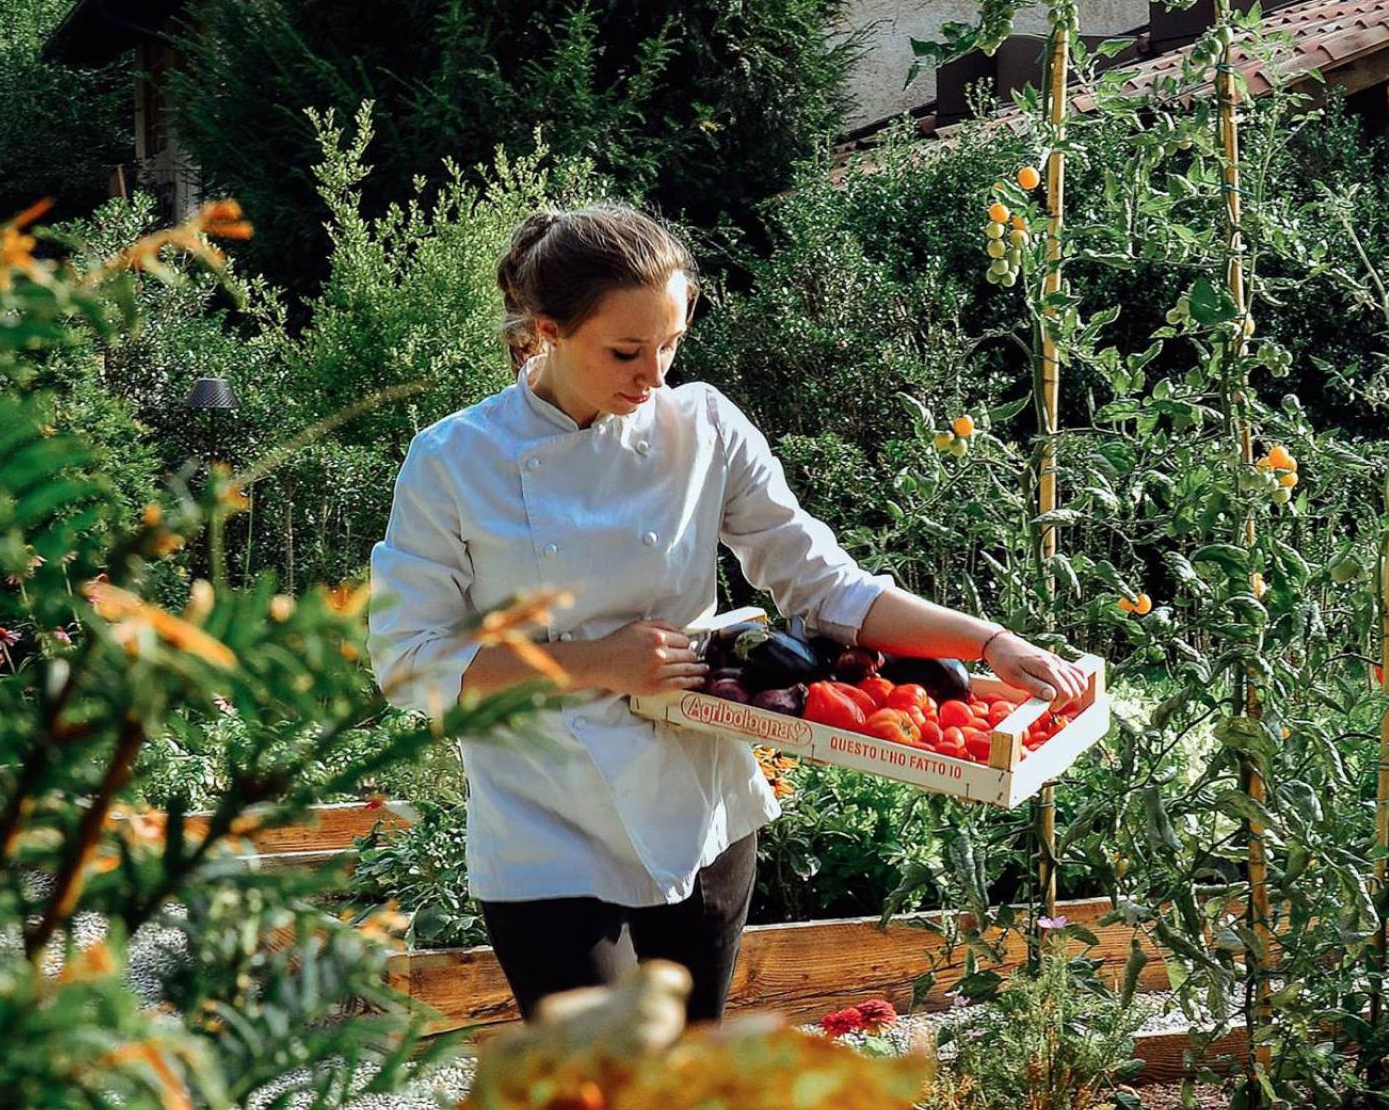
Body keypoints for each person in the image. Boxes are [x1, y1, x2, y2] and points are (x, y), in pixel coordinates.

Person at [369, 203, 1087, 1024]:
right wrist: (597, 662)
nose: (654, 376)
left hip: (698, 805)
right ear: (546, 331)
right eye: (627, 351)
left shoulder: (703, 425)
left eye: (672, 344)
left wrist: (987, 641)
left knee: (698, 1085)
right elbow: (409, 659)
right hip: (544, 821)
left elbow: (823, 584)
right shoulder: (454, 460)